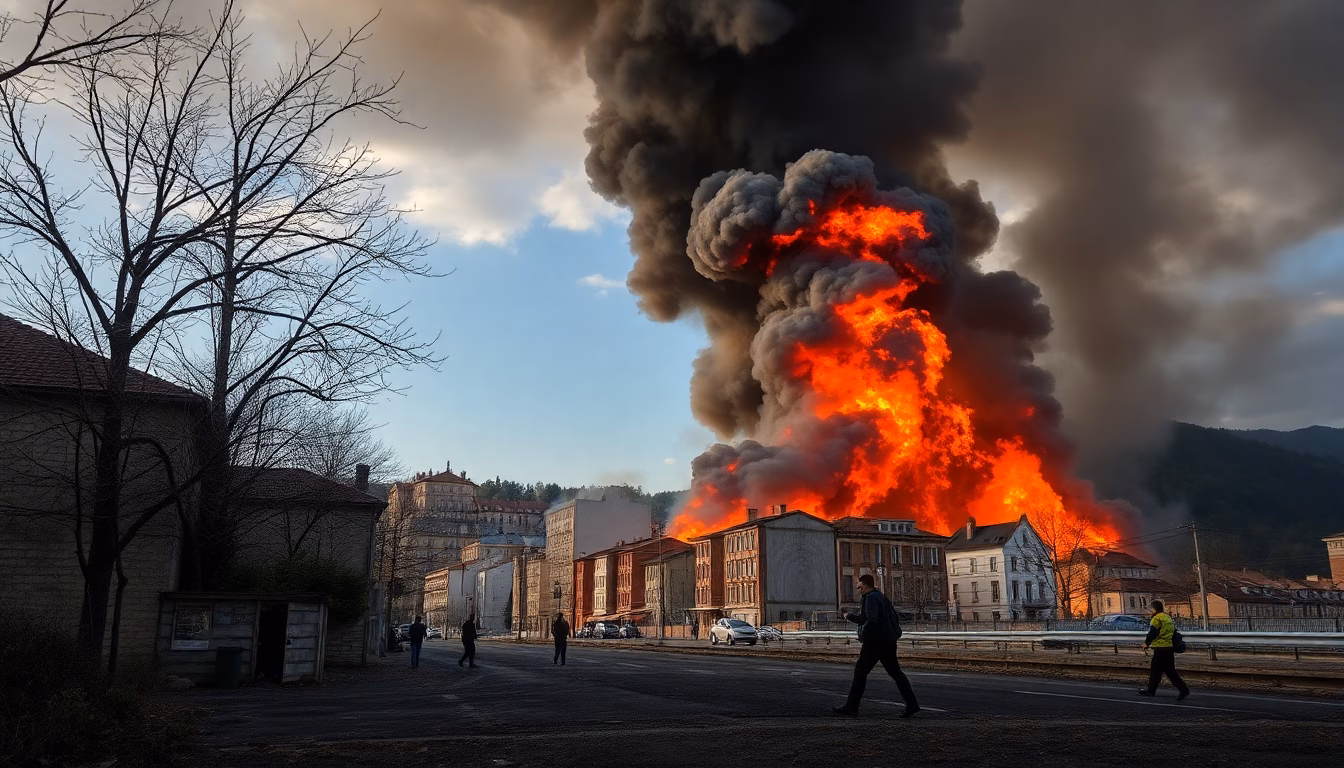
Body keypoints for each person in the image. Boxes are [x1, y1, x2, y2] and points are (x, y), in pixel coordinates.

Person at [833, 573, 920, 718]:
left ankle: (851, 707)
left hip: (875, 641)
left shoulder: (871, 597)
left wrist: (861, 630)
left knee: (860, 671)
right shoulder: (880, 596)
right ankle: (912, 704)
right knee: (896, 672)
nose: (858, 590)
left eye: (859, 587)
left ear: (866, 584)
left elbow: (869, 619)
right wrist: (852, 617)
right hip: (888, 640)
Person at [1139, 599, 1190, 700]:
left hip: (1160, 648)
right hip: (1169, 648)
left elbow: (1152, 633)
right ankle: (1152, 690)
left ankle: (1152, 690)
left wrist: (1146, 643)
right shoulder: (1167, 618)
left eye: (1151, 609)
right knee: (1169, 670)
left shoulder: (1156, 618)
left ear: (1154, 609)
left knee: (1156, 670)